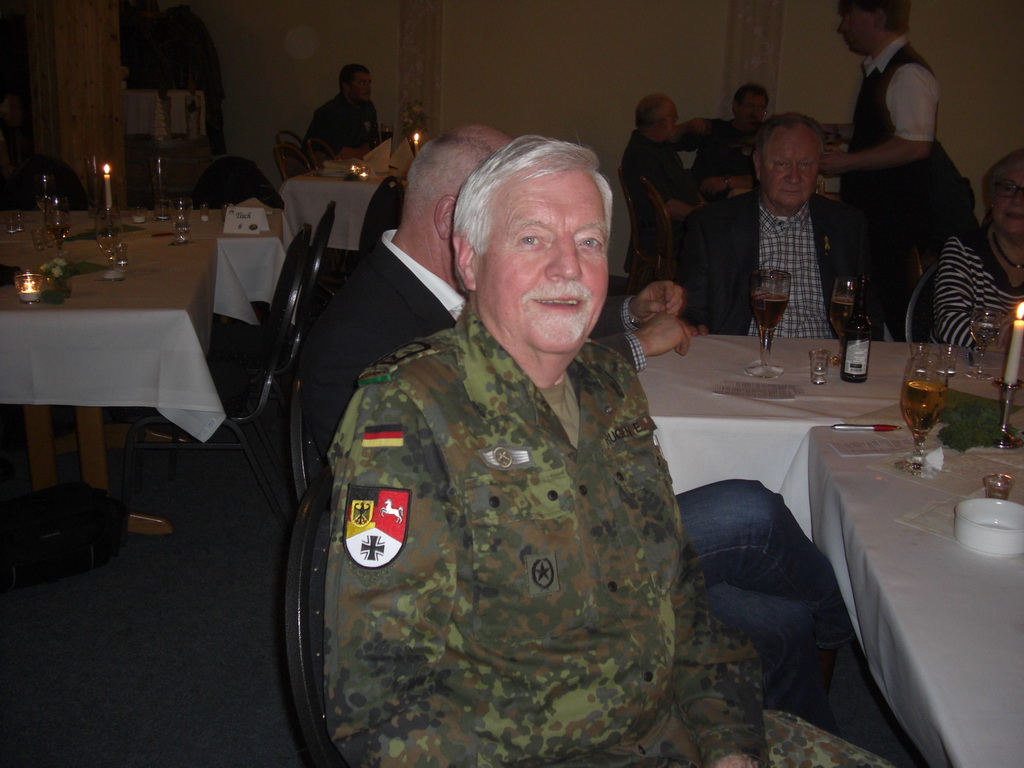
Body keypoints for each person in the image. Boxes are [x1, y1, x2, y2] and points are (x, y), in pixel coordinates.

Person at [323, 135, 889, 767]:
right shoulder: (408, 412)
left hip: (676, 732)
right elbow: (382, 708)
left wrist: (730, 744)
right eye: (532, 238)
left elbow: (684, 606)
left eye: (589, 242)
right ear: (469, 259)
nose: (568, 268)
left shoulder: (609, 383)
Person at [300, 125, 690, 457]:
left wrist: (629, 312)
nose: (566, 265)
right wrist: (635, 345)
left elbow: (527, 318)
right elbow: (510, 414)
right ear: (453, 219)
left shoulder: (429, 289)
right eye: (527, 233)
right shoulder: (362, 341)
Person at [681, 112, 879, 338]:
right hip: (745, 353)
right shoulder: (712, 225)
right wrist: (692, 327)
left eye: (805, 164)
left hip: (824, 354)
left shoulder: (847, 225)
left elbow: (868, 313)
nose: (794, 177)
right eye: (782, 164)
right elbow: (692, 310)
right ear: (758, 164)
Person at [818, 0, 936, 340]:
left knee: (892, 306)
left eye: (849, 15)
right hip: (879, 219)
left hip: (894, 223)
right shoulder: (884, 71)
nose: (843, 26)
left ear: (878, 16)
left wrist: (846, 161)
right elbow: (884, 132)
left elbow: (915, 145)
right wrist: (835, 131)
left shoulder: (908, 73)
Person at [933, 149, 1024, 347]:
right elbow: (950, 327)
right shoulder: (963, 249)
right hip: (964, 364)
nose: (1018, 199)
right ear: (992, 197)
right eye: (1008, 188)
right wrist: (1013, 339)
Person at [620, 94, 706, 266]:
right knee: (722, 237)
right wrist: (703, 216)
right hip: (663, 233)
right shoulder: (643, 155)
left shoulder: (656, 144)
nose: (676, 122)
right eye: (674, 118)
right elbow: (667, 206)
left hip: (676, 226)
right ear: (663, 123)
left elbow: (674, 134)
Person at [678, 83, 768, 202]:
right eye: (750, 106)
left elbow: (770, 178)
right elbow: (672, 141)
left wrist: (727, 181)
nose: (755, 113)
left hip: (738, 203)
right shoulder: (714, 128)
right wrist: (687, 126)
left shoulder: (767, 138)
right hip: (696, 199)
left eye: (760, 108)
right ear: (735, 106)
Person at [303, 63, 378, 159]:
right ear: (346, 86)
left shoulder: (368, 108)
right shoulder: (331, 112)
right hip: (322, 166)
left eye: (369, 82)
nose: (368, 88)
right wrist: (368, 152)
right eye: (362, 83)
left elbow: (374, 145)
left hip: (353, 165)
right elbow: (341, 154)